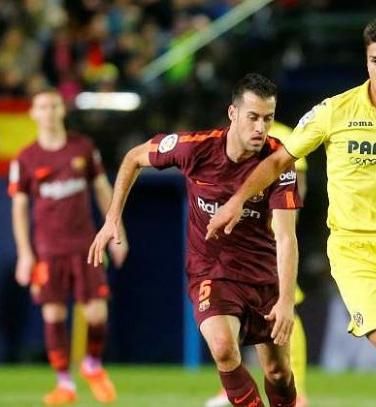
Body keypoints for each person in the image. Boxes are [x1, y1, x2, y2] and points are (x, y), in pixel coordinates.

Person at [206, 17, 376, 407]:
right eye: (375, 61)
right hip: (356, 252)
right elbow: (278, 161)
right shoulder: (333, 112)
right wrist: (237, 200)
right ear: (366, 62)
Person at [88, 73, 302, 407]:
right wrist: (112, 217)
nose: (261, 128)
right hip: (211, 270)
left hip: (261, 275)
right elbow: (133, 158)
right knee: (223, 348)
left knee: (278, 372)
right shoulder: (196, 148)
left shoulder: (279, 162)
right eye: (253, 117)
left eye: (268, 119)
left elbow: (287, 236)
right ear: (233, 114)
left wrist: (286, 300)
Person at [8, 90, 128, 405]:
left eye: (54, 105)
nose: (48, 112)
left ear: (62, 110)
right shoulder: (26, 158)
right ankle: (65, 383)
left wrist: (117, 231)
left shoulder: (83, 147)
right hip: (48, 249)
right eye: (42, 107)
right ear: (33, 113)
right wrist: (25, 253)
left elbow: (102, 189)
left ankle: (92, 364)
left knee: (97, 313)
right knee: (54, 314)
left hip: (85, 245)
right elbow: (19, 208)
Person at [205, 121, 309, 407]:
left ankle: (297, 387)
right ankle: (229, 385)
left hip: (271, 237)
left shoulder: (287, 137)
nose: (259, 122)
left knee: (285, 309)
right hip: (238, 236)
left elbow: (295, 185)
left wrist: (283, 223)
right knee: (230, 307)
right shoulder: (228, 139)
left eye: (265, 114)